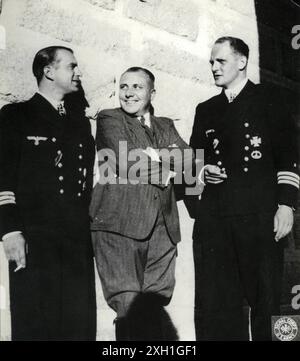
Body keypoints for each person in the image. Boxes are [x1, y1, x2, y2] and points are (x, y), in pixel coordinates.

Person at [186, 37, 299, 341]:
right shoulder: (206, 108)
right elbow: (192, 161)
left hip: (260, 218)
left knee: (268, 303)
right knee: (219, 306)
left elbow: (290, 155)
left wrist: (286, 204)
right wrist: (201, 170)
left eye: (220, 61)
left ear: (241, 61)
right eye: (211, 62)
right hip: (217, 221)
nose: (213, 67)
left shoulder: (269, 98)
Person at [0, 46, 96, 341]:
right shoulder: (17, 115)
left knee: (78, 324)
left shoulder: (79, 123)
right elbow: (3, 176)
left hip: (76, 240)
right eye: (71, 66)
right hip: (35, 238)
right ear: (49, 71)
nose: (78, 72)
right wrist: (10, 230)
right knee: (35, 322)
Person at [90, 67, 193, 340]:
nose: (129, 92)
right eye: (124, 86)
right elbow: (126, 162)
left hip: (163, 230)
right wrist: (170, 168)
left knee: (155, 307)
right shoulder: (110, 119)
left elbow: (189, 159)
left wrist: (155, 153)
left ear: (152, 93)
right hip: (119, 227)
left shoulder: (166, 125)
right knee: (127, 306)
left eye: (137, 86)